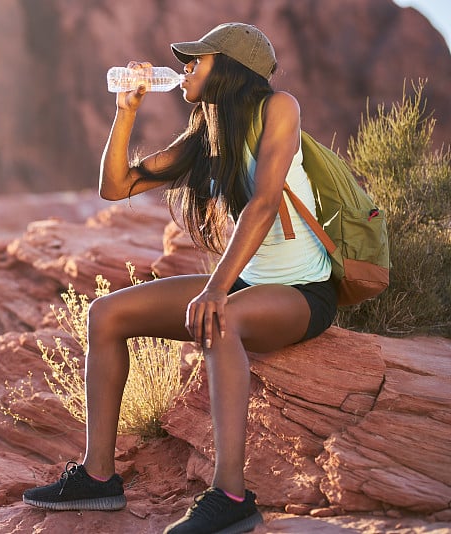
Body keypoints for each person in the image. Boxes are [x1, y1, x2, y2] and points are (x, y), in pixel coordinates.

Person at [22, 22, 337, 534]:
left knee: (220, 319)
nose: (185, 69)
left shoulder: (279, 108)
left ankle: (231, 495)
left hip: (302, 292)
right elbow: (116, 185)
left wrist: (215, 287)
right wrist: (126, 111)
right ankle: (98, 477)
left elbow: (264, 202)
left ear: (230, 70)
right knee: (107, 314)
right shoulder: (205, 134)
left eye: (197, 60)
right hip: (244, 282)